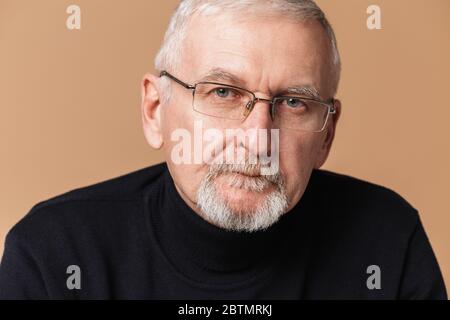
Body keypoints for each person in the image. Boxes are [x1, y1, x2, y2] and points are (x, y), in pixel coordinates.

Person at [0, 0, 446, 299]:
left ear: (326, 134)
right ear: (156, 110)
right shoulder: (54, 254)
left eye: (294, 102)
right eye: (223, 93)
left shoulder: (388, 242)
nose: (256, 139)